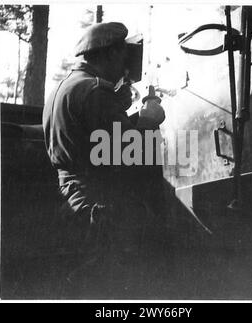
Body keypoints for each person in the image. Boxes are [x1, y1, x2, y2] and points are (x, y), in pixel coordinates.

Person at [42, 22, 167, 282]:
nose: (125, 65)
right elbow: (125, 151)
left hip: (74, 197)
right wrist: (149, 118)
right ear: (109, 54)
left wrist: (120, 107)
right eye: (122, 56)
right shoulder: (94, 91)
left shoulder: (64, 88)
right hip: (100, 206)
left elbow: (93, 138)